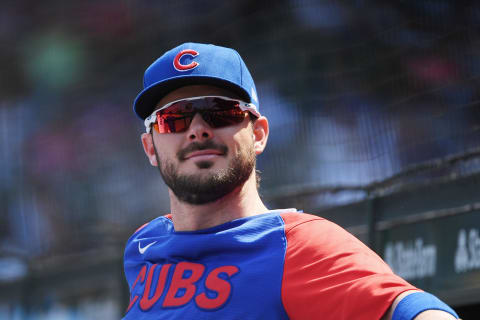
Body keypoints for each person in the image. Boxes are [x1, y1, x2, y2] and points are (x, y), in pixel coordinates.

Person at [123, 42, 460, 320]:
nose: (198, 128)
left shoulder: (295, 243)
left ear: (258, 134)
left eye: (220, 112)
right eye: (173, 119)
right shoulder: (143, 247)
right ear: (150, 147)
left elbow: (417, 311)